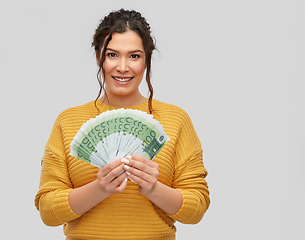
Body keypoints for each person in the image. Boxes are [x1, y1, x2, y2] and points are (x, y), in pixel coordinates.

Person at [35, 9, 209, 240]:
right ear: (99, 57)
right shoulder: (68, 121)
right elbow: (47, 211)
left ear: (146, 59)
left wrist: (153, 189)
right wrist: (100, 188)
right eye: (112, 55)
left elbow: (196, 208)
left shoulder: (176, 120)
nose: (123, 67)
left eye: (134, 56)